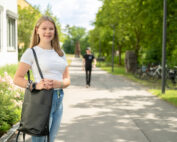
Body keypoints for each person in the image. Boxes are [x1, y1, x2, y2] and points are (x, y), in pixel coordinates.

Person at [13, 16, 70, 142]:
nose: (48, 31)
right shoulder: (31, 52)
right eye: (44, 28)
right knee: (40, 140)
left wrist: (59, 83)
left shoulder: (60, 53)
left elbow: (67, 79)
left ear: (55, 31)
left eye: (51, 29)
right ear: (37, 30)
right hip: (42, 100)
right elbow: (17, 78)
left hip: (58, 99)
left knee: (51, 139)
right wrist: (35, 85)